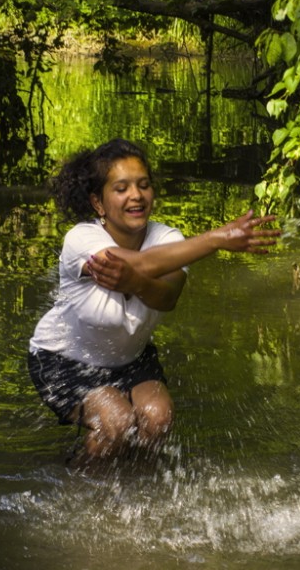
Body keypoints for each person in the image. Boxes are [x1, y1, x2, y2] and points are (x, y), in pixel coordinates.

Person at [28, 138, 280, 462]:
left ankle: (141, 499)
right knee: (116, 422)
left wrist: (135, 281)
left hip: (130, 356)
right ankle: (83, 489)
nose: (136, 195)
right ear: (98, 203)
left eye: (143, 185)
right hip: (63, 358)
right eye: (121, 188)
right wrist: (217, 239)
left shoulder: (169, 239)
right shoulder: (81, 239)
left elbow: (168, 297)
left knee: (158, 419)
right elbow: (142, 264)